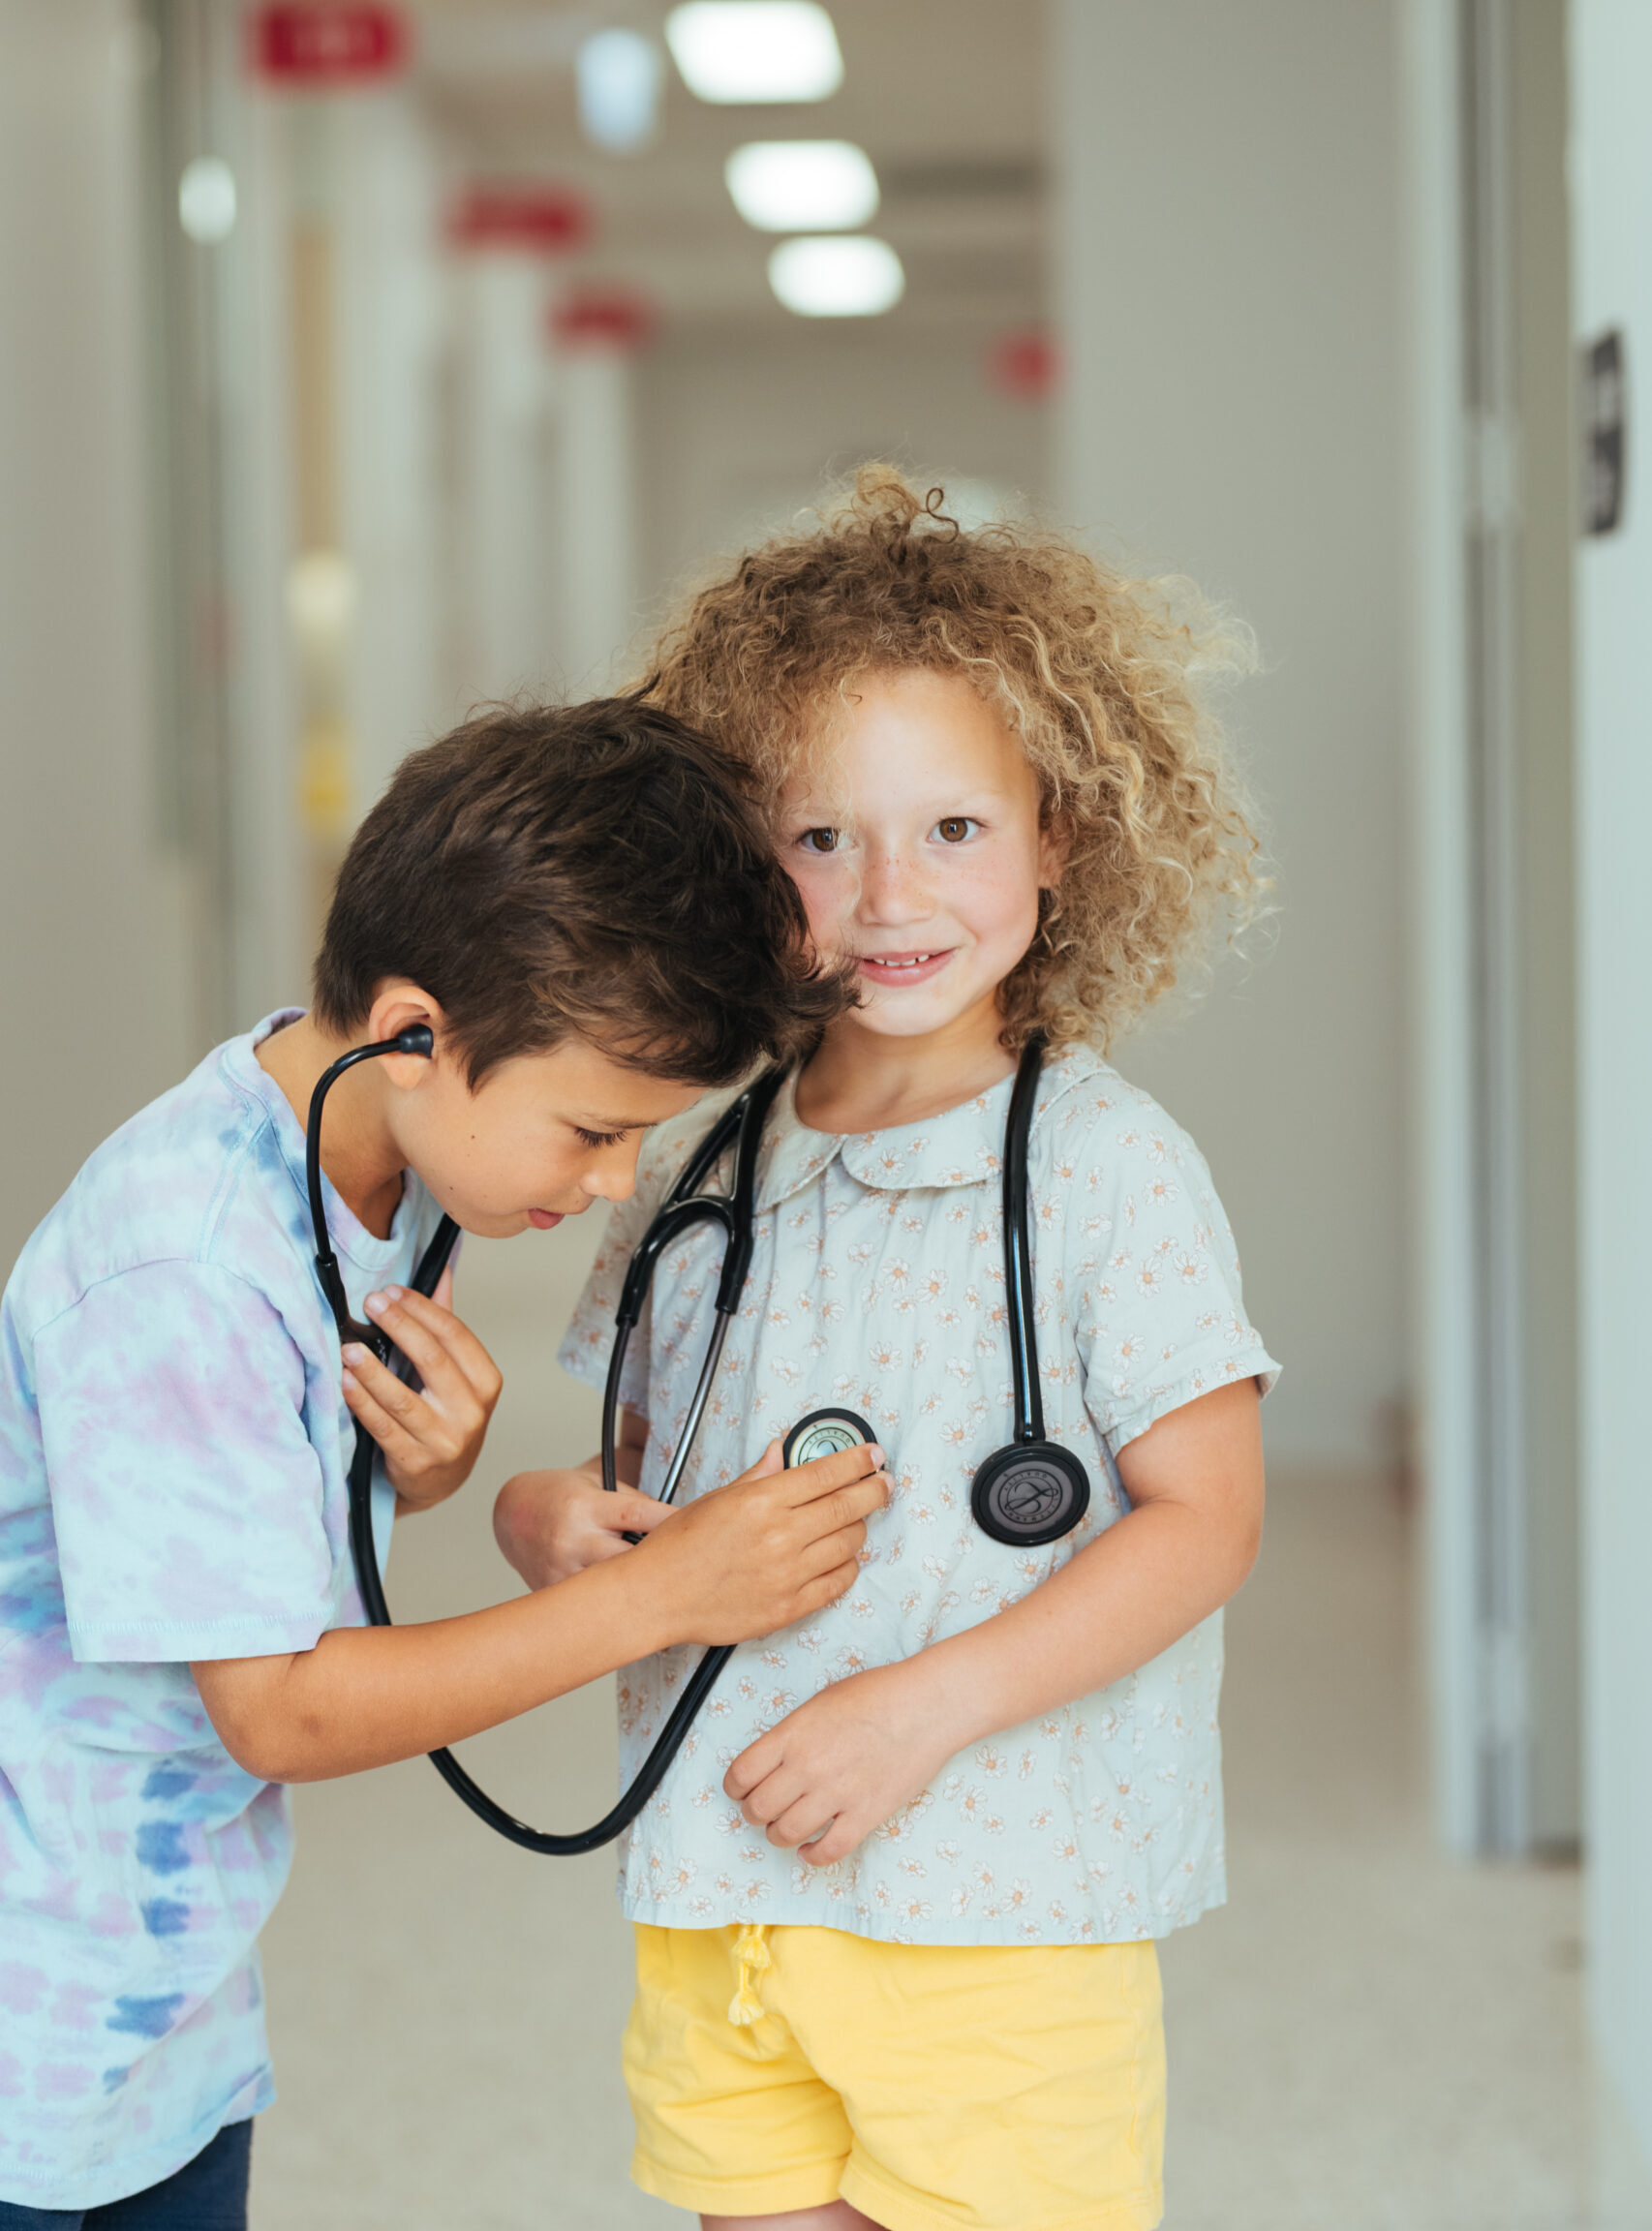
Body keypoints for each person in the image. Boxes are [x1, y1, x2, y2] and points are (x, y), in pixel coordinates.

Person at [496, 473, 1282, 2231]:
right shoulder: (697, 1159)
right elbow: (644, 1471)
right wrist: (551, 1519)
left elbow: (1205, 1521)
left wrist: (920, 1710)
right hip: (721, 1878)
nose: (886, 896)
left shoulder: (1105, 1168)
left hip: (1003, 1908)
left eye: (953, 828)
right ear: (740, 860)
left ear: (1059, 836)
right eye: (820, 839)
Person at [0, 697, 889, 2228]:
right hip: (37, 2004)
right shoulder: (182, 1267)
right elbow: (281, 1707)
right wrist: (661, 1597)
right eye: (590, 1131)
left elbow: (248, 1511)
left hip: (163, 1981)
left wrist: (420, 1468)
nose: (611, 1181)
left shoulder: (381, 1146)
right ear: (414, 1031)